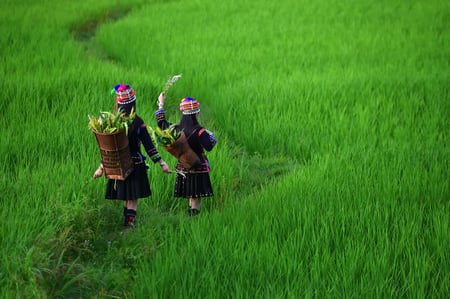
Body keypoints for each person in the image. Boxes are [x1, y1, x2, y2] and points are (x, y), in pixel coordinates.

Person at [93, 84, 171, 227]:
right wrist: (161, 163)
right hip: (135, 164)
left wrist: (101, 167)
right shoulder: (138, 123)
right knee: (133, 197)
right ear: (133, 103)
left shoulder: (111, 123)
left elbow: (108, 149)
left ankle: (126, 222)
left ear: (118, 103)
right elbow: (149, 146)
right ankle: (130, 224)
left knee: (126, 195)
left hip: (118, 164)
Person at [155, 92, 217, 216]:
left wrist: (161, 104)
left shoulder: (177, 129)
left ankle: (190, 215)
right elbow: (209, 146)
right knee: (195, 196)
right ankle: (193, 218)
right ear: (196, 114)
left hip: (183, 165)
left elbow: (162, 123)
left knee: (191, 194)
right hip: (198, 166)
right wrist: (211, 136)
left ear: (183, 113)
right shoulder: (200, 131)